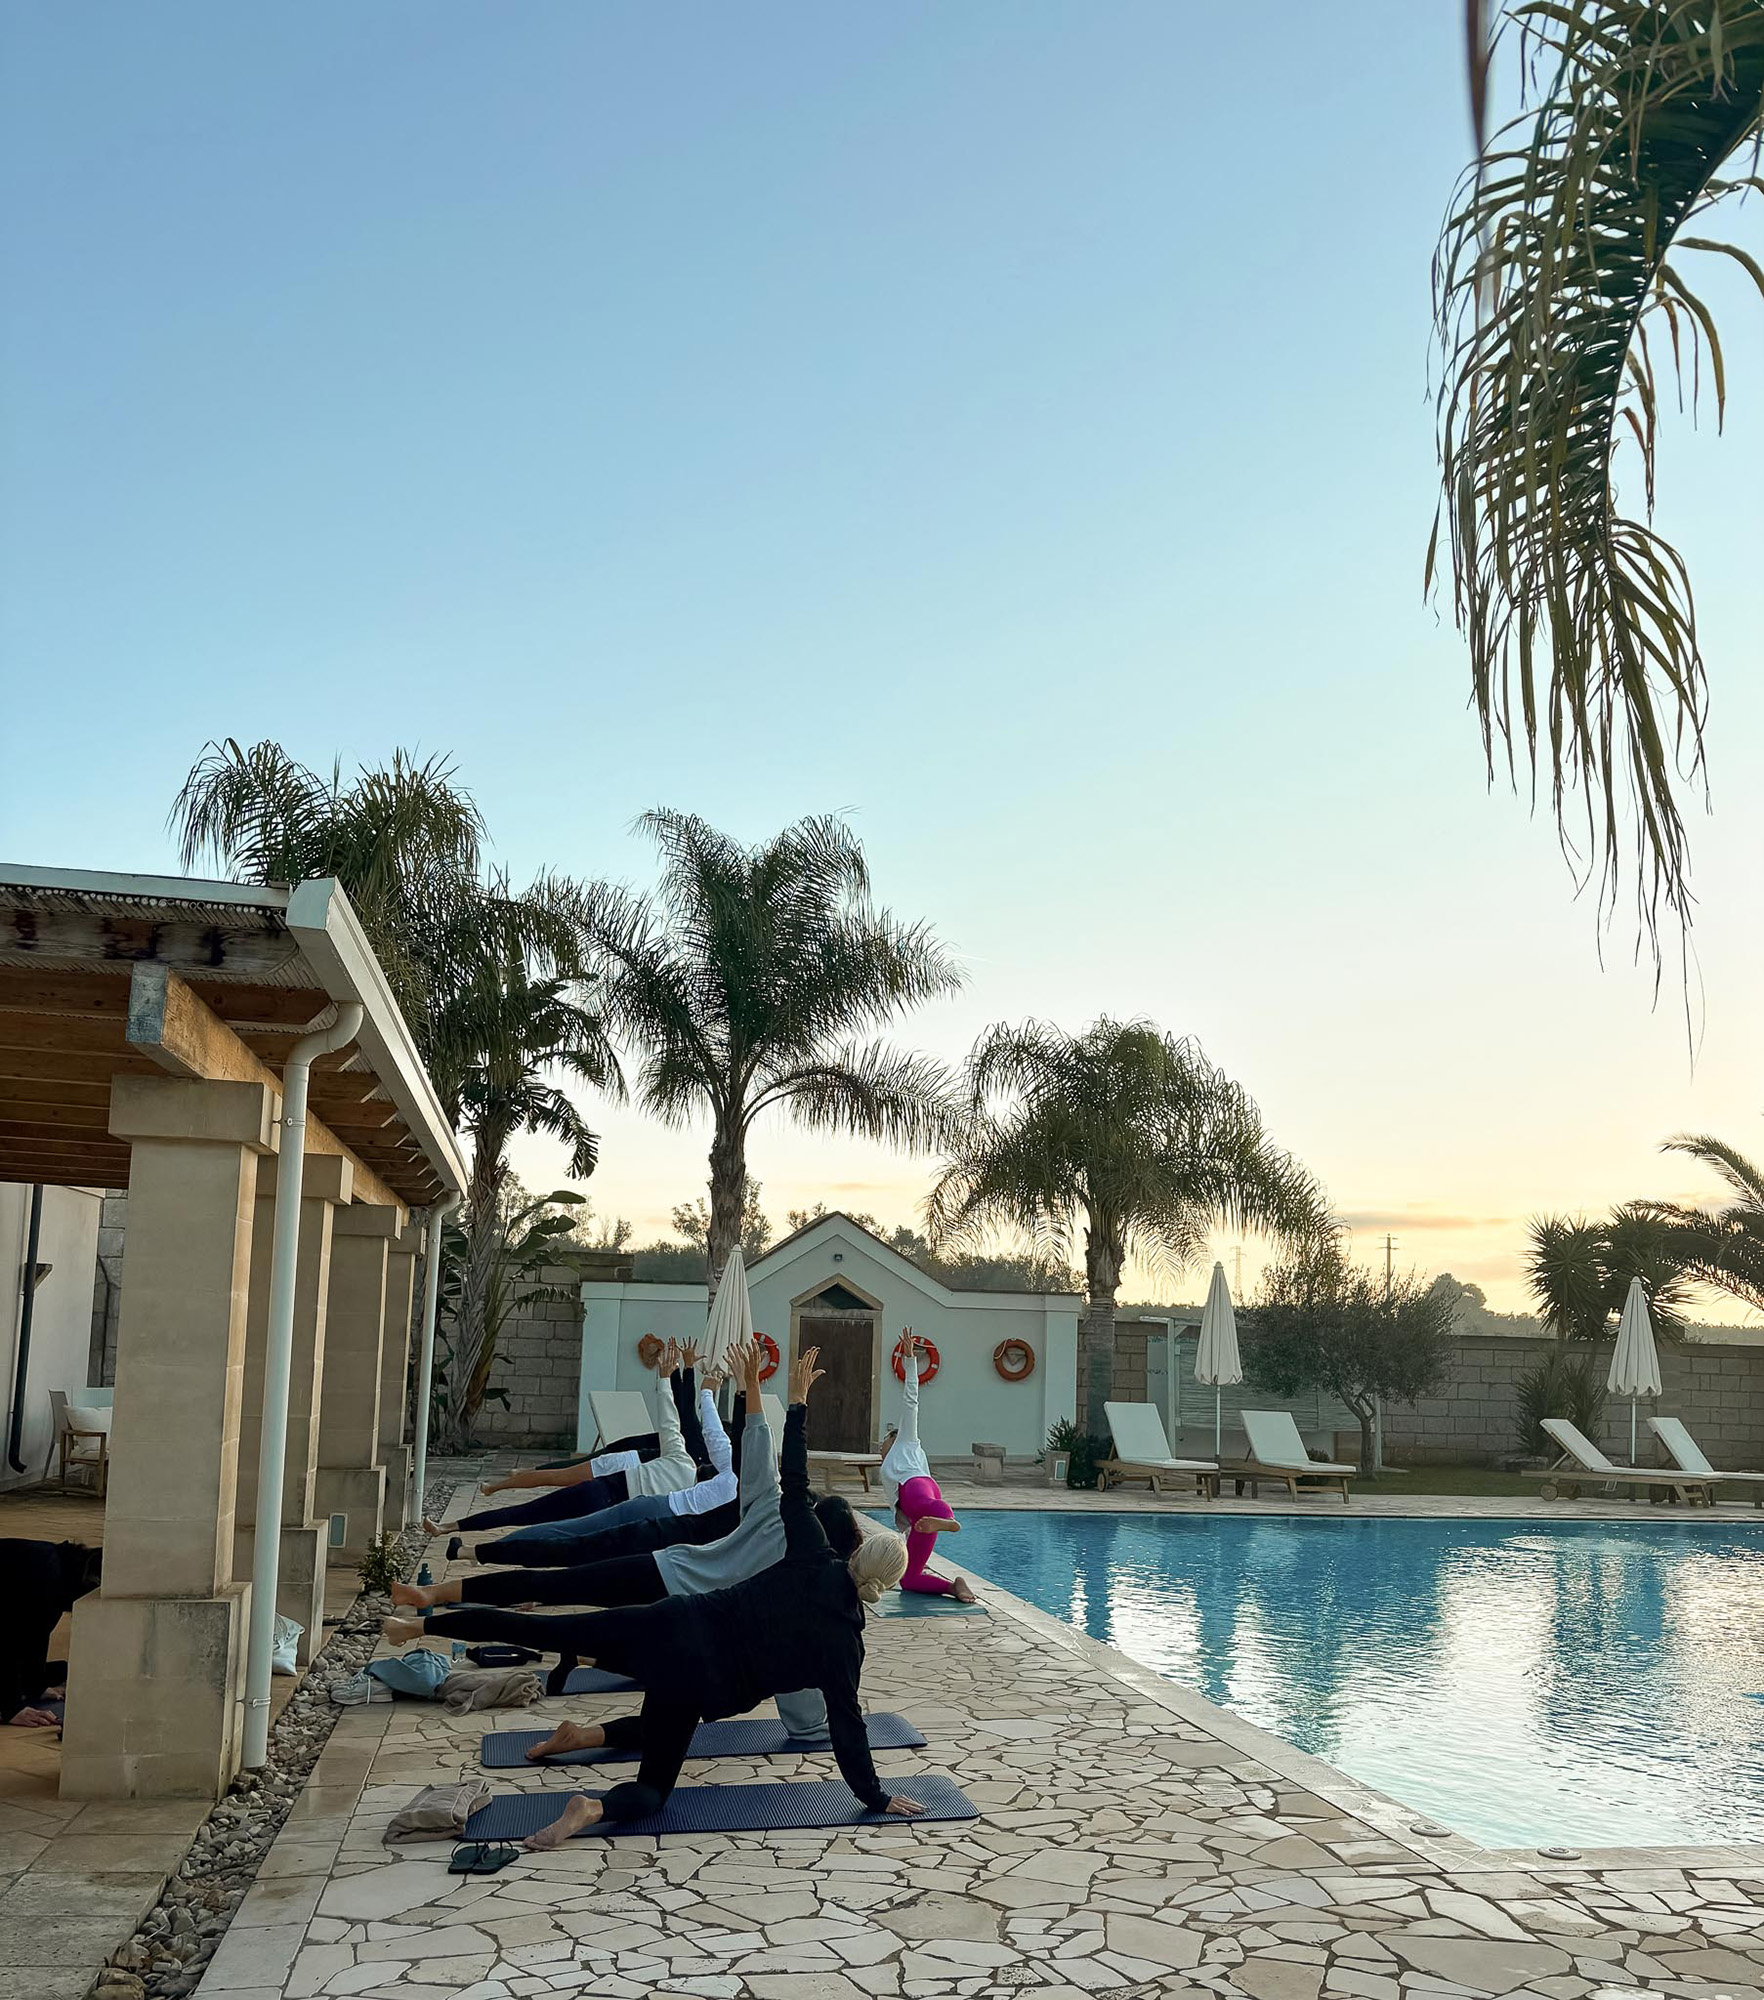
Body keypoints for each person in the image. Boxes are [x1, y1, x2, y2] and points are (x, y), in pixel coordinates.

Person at [383, 1347, 921, 1846]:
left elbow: (793, 1479)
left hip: (673, 1619)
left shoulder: (809, 1553)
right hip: (696, 1684)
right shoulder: (845, 1647)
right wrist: (875, 1795)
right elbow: (846, 1728)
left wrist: (797, 1402)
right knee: (652, 1790)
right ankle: (591, 1808)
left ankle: (423, 1624)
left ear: (852, 1551)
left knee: (543, 1629)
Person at [393, 1337, 853, 1735]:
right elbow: (803, 1683)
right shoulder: (810, 1583)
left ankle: (431, 1599)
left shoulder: (773, 1510)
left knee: (556, 1584)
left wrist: (765, 1390)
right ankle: (423, 1620)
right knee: (579, 1625)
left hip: (667, 1567)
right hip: (689, 1607)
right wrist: (815, 1721)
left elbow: (762, 1447)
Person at [431, 1344, 706, 1539]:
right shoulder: (690, 1484)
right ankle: (480, 1523)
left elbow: (675, 1416)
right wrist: (682, 1372)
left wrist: (671, 1375)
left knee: (537, 1515)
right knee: (546, 1502)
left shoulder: (686, 1461)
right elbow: (683, 1414)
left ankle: (469, 1536)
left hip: (613, 1488)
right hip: (621, 1469)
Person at [880, 1332, 977, 1602]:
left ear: (894, 1438)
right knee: (908, 1579)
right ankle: (954, 1586)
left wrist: (910, 1361)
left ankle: (950, 1522)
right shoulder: (887, 1469)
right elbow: (898, 1511)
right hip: (919, 1517)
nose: (880, 1447)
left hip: (918, 1488)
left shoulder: (906, 1441)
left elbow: (911, 1401)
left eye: (883, 1441)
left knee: (928, 1505)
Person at [0, 1539, 101, 1727]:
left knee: (58, 1669)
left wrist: (36, 1685)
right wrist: (11, 1708)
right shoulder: (46, 1575)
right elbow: (9, 1637)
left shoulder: (61, 1573)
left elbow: (37, 1632)